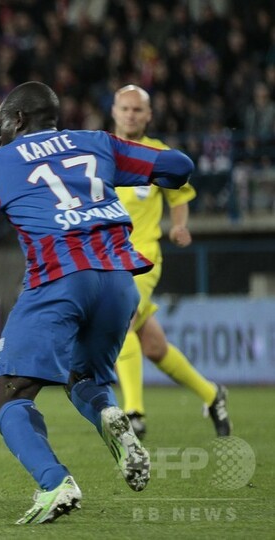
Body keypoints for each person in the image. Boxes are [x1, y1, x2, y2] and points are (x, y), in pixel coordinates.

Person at [0, 81, 194, 524]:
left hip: (59, 278)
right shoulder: (98, 143)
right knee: (83, 377)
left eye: (2, 126)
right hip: (119, 281)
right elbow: (179, 166)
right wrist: (149, 179)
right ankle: (109, 413)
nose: (0, 135)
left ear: (18, 120)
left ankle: (55, 482)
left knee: (9, 396)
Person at [111, 84, 231, 439]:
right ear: (114, 111)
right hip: (106, 258)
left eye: (137, 109)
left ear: (148, 115)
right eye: (125, 108)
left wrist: (179, 226)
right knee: (153, 346)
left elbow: (179, 195)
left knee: (119, 322)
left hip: (142, 256)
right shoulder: (102, 151)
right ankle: (212, 395)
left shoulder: (158, 154)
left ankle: (134, 413)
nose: (130, 115)